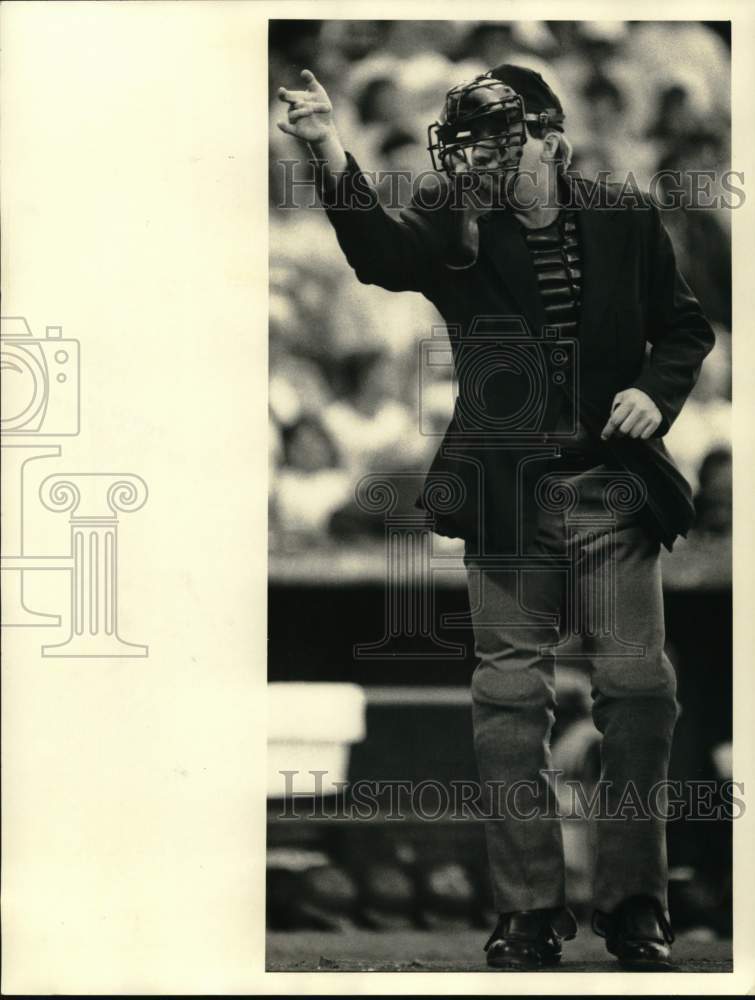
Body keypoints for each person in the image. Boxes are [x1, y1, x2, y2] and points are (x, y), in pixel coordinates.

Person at [277, 63, 715, 970]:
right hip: (507, 494)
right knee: (508, 701)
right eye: (466, 143)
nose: (473, 161)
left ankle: (635, 903)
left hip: (613, 487)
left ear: (551, 141)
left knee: (640, 690)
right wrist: (323, 145)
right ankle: (528, 913)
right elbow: (373, 253)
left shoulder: (623, 215)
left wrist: (650, 390)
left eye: (495, 144)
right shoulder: (454, 218)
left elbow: (683, 329)